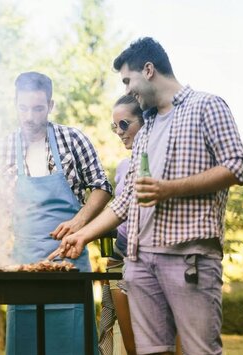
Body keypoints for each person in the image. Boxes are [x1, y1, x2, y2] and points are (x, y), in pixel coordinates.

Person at [60, 37, 243, 355]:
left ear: (148, 70)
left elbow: (238, 167)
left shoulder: (207, 105)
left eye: (127, 80)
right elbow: (124, 201)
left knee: (200, 350)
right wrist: (82, 236)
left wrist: (169, 189)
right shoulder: (146, 129)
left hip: (189, 259)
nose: (127, 89)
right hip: (140, 262)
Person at [0, 71, 112, 355]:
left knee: (74, 343)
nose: (30, 116)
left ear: (50, 106)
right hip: (24, 265)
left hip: (70, 261)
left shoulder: (73, 139)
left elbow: (102, 187)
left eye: (38, 108)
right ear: (15, 105)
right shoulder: (2, 149)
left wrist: (79, 221)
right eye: (23, 108)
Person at [99, 95, 143, 355]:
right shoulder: (123, 166)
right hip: (119, 261)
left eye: (124, 124)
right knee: (132, 346)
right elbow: (122, 213)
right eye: (114, 126)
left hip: (149, 259)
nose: (118, 132)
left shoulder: (158, 159)